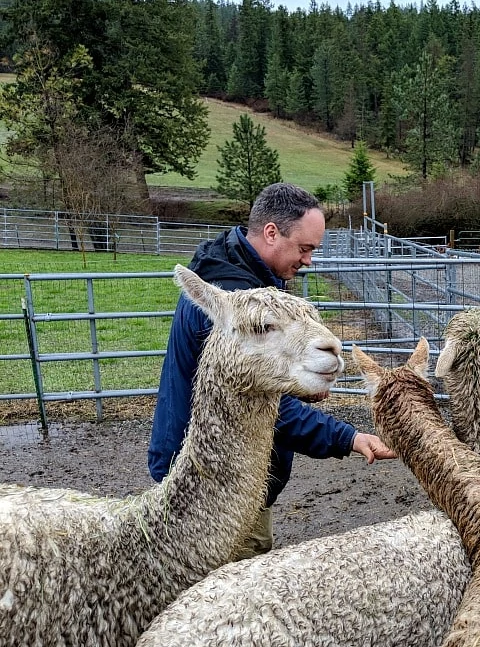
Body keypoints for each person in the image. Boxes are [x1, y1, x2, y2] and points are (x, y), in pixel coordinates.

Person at [149, 182, 396, 558]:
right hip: (210, 481)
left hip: (226, 474)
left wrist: (298, 382)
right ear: (271, 233)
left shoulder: (245, 278)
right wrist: (347, 437)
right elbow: (250, 404)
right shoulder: (230, 307)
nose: (309, 259)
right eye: (305, 248)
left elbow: (263, 385)